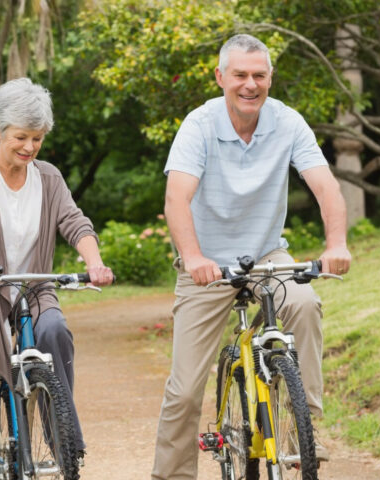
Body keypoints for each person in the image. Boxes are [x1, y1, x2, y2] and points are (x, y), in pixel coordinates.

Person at [152, 34, 352, 479]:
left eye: (259, 75)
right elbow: (176, 199)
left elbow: (325, 186)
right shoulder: (199, 125)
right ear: (220, 76)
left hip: (266, 254)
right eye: (240, 75)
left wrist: (336, 243)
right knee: (185, 391)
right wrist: (193, 257)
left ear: (270, 78)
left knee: (303, 303)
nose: (250, 84)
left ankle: (303, 421)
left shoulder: (288, 122)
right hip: (206, 265)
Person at [0, 77, 113, 479]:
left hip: (33, 287)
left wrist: (94, 262)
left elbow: (75, 222)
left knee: (55, 333)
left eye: (38, 138)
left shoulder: (47, 177)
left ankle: (64, 438)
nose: (29, 147)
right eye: (20, 137)